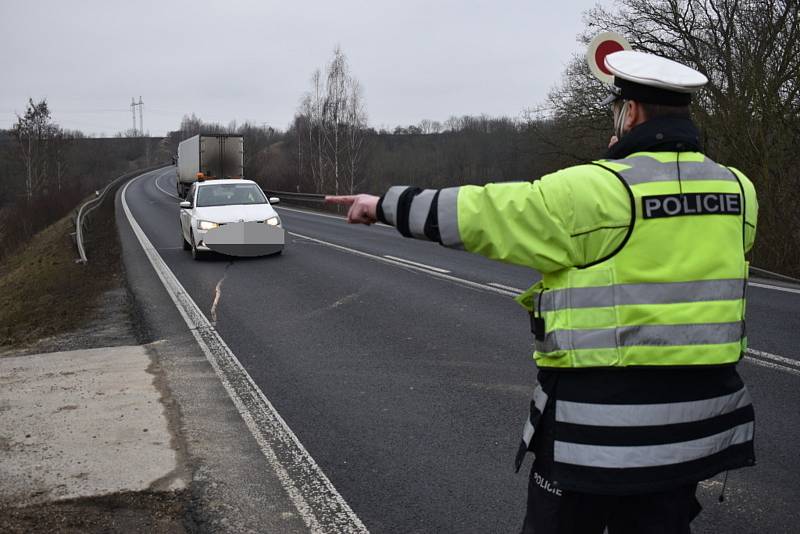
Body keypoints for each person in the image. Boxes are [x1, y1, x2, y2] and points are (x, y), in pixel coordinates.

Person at [326, 50, 758, 534]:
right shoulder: (739, 189)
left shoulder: (596, 189)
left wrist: (385, 205)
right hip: (694, 436)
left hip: (596, 436)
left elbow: (486, 213)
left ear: (630, 112)